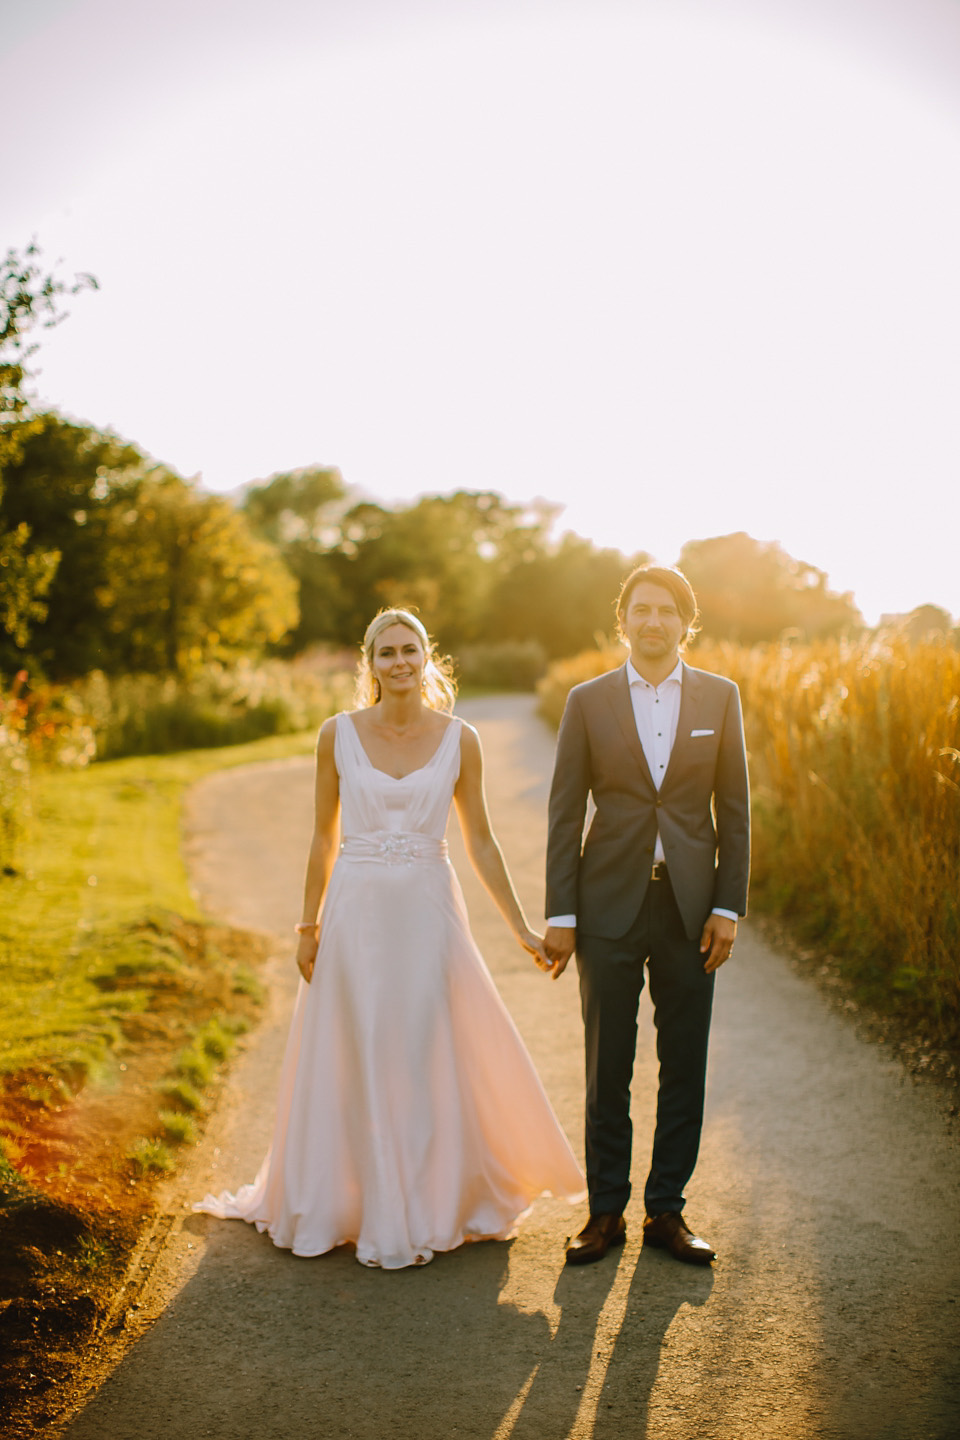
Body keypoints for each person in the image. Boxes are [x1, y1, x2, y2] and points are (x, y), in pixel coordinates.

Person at [196, 608, 584, 1269]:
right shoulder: (336, 735)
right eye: (387, 652)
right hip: (356, 916)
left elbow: (481, 841)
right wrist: (308, 924)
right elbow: (322, 835)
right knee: (361, 1044)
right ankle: (353, 1199)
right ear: (369, 664)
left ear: (428, 658)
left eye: (410, 650)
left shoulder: (462, 739)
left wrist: (519, 925)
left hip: (431, 915)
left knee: (428, 1048)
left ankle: (433, 1201)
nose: (400, 661)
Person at [543, 565, 750, 1266]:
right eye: (641, 609)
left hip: (692, 909)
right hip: (606, 908)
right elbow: (565, 812)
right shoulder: (588, 700)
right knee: (608, 1065)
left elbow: (736, 811)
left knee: (683, 1059)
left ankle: (667, 1210)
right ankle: (605, 1213)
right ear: (622, 620)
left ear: (685, 622)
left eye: (667, 610)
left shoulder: (720, 698)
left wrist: (726, 905)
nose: (653, 621)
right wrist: (561, 913)